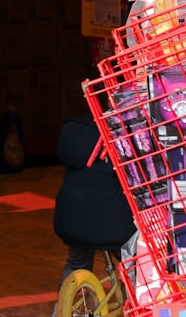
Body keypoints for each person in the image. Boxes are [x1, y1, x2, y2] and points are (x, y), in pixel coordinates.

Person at [52, 112, 136, 290]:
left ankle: (60, 310)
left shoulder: (74, 132)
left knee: (76, 263)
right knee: (134, 261)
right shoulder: (119, 133)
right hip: (112, 225)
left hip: (70, 221)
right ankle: (138, 304)